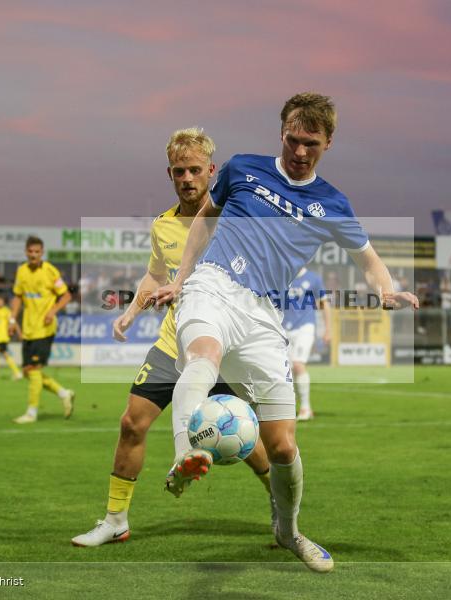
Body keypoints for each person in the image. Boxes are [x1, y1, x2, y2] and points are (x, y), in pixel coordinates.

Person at [152, 93, 419, 572]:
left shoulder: (333, 203)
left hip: (264, 317)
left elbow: (369, 260)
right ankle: (184, 457)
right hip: (213, 285)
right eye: (293, 140)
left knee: (283, 445)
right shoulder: (242, 169)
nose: (299, 152)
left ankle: (288, 531)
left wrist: (386, 290)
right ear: (282, 134)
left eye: (310, 144)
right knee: (203, 357)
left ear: (328, 143)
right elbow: (204, 220)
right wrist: (180, 278)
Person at [72, 127, 275, 548]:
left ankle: (282, 510)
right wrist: (130, 312)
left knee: (247, 438)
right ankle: (115, 520)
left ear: (211, 171)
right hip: (173, 344)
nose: (187, 178)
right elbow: (156, 274)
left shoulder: (236, 219)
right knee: (132, 423)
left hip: (224, 345)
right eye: (179, 171)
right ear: (170, 173)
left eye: (195, 170)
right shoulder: (163, 225)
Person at [9, 236, 75, 424]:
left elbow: (66, 296)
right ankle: (64, 393)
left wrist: (52, 311)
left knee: (34, 369)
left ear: (42, 253)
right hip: (28, 328)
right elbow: (17, 297)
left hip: (44, 328)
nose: (33, 255)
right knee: (29, 371)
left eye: (37, 252)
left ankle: (31, 412)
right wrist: (13, 319)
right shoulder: (21, 271)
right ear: (26, 252)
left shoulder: (50, 271)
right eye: (30, 251)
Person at [282, 267, 330, 421]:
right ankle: (289, 408)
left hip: (305, 327)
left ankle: (305, 408)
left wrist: (328, 329)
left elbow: (324, 304)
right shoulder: (283, 276)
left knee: (298, 364)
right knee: (286, 370)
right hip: (284, 328)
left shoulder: (313, 278)